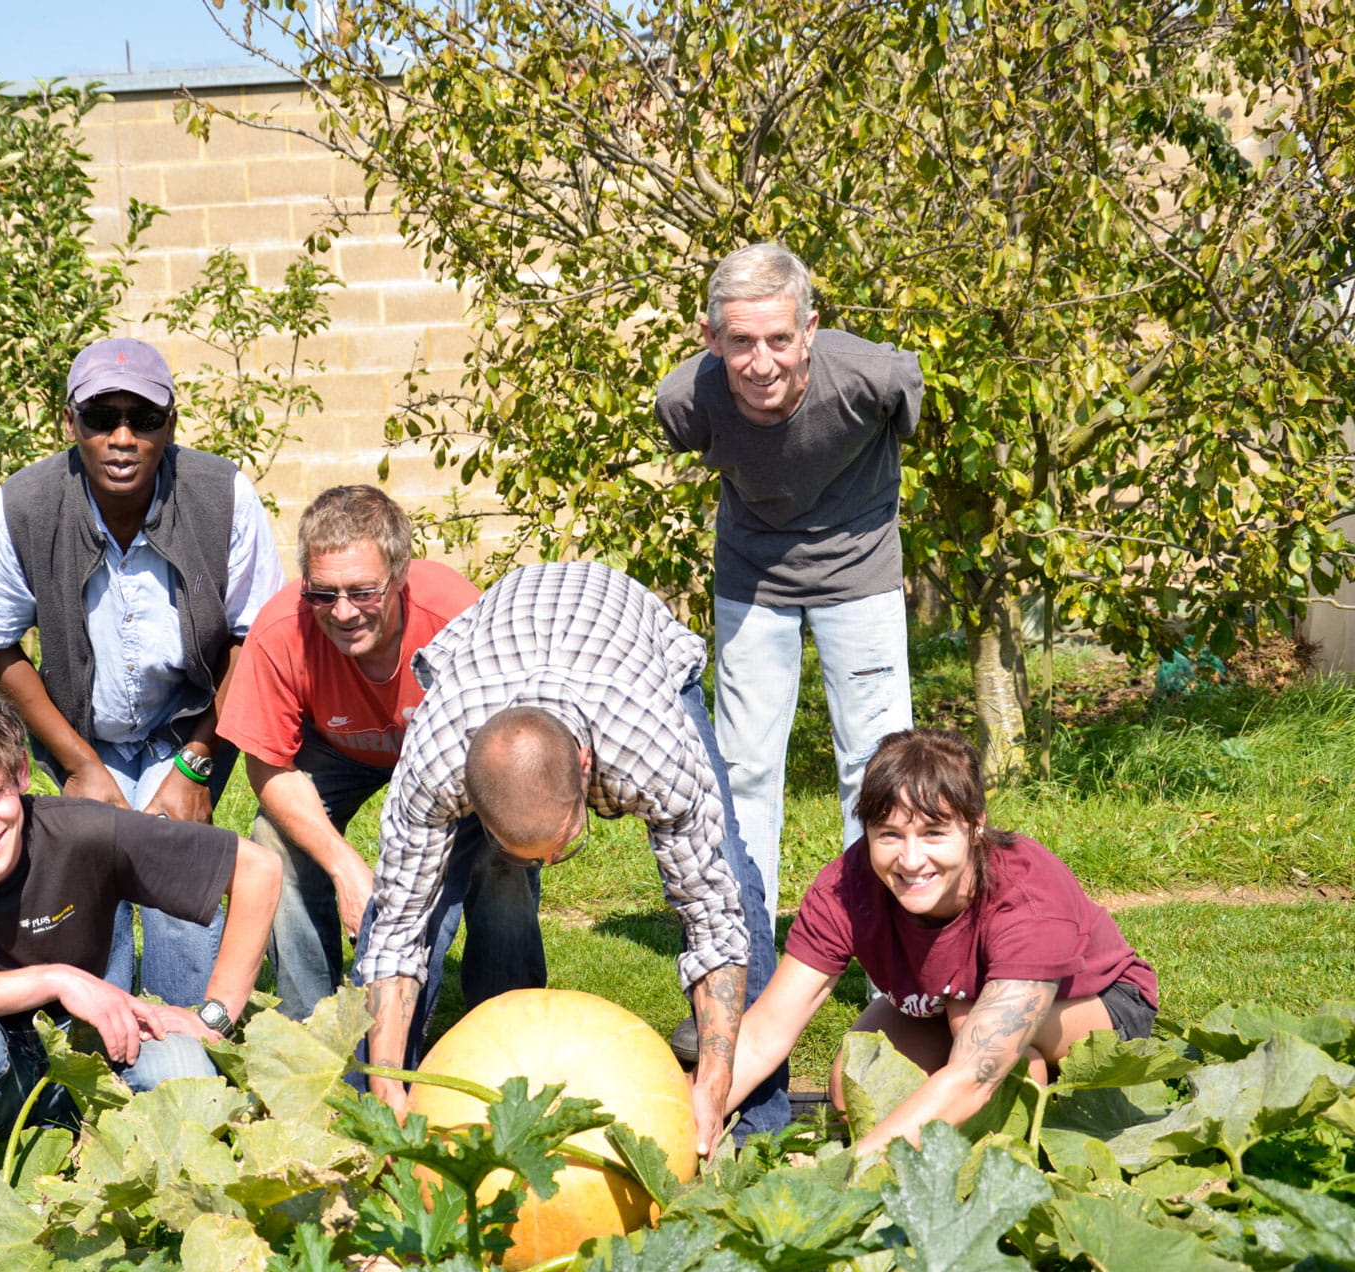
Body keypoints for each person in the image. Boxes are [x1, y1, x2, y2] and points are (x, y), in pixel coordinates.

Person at [352, 560, 786, 1156]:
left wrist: (711, 1079)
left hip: (633, 652)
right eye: (526, 854)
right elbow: (398, 931)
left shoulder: (652, 754)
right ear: (469, 799)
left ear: (586, 769)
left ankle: (755, 1123)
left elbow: (713, 917)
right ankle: (374, 1117)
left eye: (562, 845)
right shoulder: (435, 764)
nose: (552, 868)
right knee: (405, 910)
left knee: (730, 874)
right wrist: (384, 1080)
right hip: (488, 654)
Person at [0, 337, 282, 1010]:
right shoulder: (24, 505)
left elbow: (254, 641)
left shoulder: (221, 495)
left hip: (190, 727)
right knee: (84, 888)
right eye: (101, 418)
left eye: (143, 419)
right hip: (77, 733)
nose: (122, 437)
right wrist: (78, 764)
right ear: (70, 422)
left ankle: (182, 1061)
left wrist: (197, 765)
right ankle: (93, 1064)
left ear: (171, 423)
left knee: (181, 890)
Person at [0, 694, 280, 1142]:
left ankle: (118, 1164)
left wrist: (216, 1017)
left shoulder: (85, 830)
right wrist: (58, 979)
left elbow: (257, 869)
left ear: (21, 775)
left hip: (84, 1046)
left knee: (183, 1068)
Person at [723, 728, 1159, 1159]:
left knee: (976, 1034)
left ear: (975, 826)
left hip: (1097, 1001)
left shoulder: (1027, 893)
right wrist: (692, 1119)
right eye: (889, 834)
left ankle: (1018, 1143)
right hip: (943, 1002)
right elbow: (765, 1034)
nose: (911, 860)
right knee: (852, 1083)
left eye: (934, 833)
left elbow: (973, 1073)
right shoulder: (846, 887)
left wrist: (853, 1169)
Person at [655, 242, 923, 922]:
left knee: (877, 763)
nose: (762, 362)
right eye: (741, 342)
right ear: (709, 337)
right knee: (742, 768)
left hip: (860, 569)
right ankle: (748, 945)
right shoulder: (686, 401)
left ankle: (885, 940)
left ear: (809, 330)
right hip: (754, 575)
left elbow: (908, 411)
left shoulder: (872, 377)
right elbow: (691, 430)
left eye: (780, 338)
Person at [218, 485, 519, 1044]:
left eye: (362, 591)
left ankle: (507, 1019)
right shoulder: (281, 628)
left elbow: (505, 745)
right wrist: (345, 866)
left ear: (401, 575)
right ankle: (314, 1033)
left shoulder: (458, 618)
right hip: (337, 747)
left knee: (503, 850)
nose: (343, 611)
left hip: (454, 756)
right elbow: (268, 767)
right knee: (274, 841)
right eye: (323, 593)